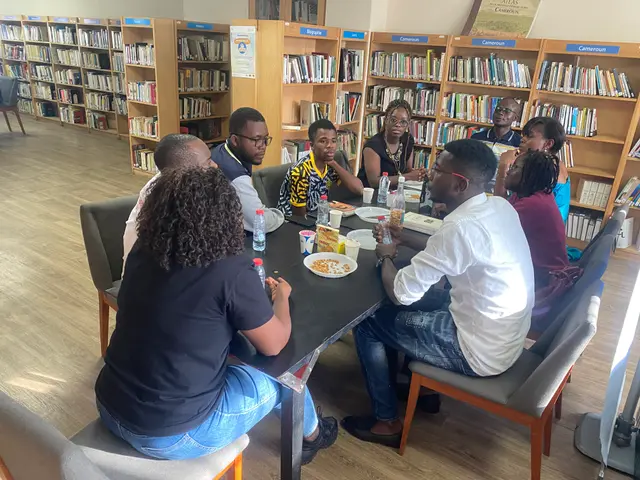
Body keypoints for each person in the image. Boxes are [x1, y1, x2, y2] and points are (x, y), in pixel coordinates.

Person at [96, 167, 337, 464]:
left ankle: (310, 431)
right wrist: (282, 298)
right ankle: (313, 435)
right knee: (287, 378)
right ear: (226, 216)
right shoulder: (231, 269)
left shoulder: (142, 251)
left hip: (110, 405)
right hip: (172, 435)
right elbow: (274, 343)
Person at [341, 139, 534, 447]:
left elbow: (401, 293)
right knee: (411, 308)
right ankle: (425, 391)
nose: (430, 175)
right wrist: (403, 240)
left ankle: (386, 420)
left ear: (459, 184)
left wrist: (386, 255)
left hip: (476, 350)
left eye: (437, 169)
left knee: (368, 323)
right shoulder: (497, 205)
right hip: (501, 333)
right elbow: (455, 253)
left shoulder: (460, 227)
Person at [122, 133, 215, 268]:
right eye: (208, 162)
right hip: (151, 278)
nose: (215, 165)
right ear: (184, 170)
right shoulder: (166, 201)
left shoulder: (174, 183)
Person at [503, 150, 570, 288]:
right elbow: (499, 214)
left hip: (541, 281)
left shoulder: (532, 204)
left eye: (515, 168)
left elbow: (494, 231)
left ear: (530, 175)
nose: (508, 172)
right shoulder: (525, 194)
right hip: (532, 271)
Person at [212, 107, 285, 233]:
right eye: (256, 140)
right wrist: (281, 215)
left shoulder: (222, 149)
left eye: (265, 139)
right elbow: (262, 223)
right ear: (235, 140)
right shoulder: (236, 177)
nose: (262, 146)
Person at [277, 119, 363, 217]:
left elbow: (359, 189)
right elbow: (298, 217)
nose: (330, 145)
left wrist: (334, 164)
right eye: (323, 141)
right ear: (312, 145)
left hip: (318, 216)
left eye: (333, 141)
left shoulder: (329, 166)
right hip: (292, 223)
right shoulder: (300, 171)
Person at [496, 116, 570, 223]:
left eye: (529, 136)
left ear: (548, 144)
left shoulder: (541, 170)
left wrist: (503, 166)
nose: (523, 139)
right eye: (523, 135)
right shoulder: (555, 163)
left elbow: (502, 211)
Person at [358, 99, 426, 189]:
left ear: (407, 125)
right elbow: (374, 182)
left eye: (403, 122)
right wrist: (408, 177)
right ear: (386, 120)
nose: (398, 125)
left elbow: (408, 170)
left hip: (395, 191)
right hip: (371, 194)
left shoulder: (407, 140)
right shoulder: (373, 146)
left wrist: (419, 174)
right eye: (393, 120)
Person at [470, 97, 522, 192]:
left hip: (501, 194)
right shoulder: (477, 138)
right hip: (475, 191)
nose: (501, 113)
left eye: (507, 111)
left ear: (515, 118)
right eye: (498, 109)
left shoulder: (518, 144)